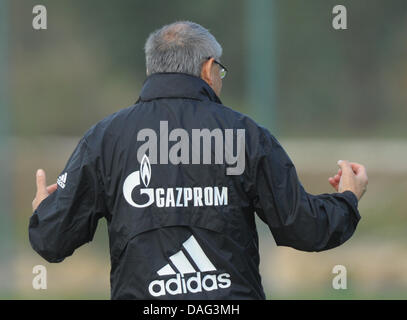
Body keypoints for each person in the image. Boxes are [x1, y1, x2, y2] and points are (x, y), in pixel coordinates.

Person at [29, 21, 368, 299]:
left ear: (151, 70)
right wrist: (346, 199)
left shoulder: (105, 138)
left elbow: (53, 240)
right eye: (220, 70)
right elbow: (306, 228)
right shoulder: (245, 135)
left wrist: (46, 211)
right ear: (208, 69)